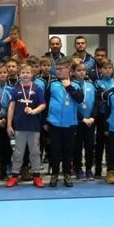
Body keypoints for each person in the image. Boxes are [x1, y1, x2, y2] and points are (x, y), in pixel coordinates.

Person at [45, 57, 84, 187]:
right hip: (54, 123)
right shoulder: (52, 84)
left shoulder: (76, 85)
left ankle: (67, 174)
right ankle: (54, 174)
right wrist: (45, 121)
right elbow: (45, 102)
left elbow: (80, 99)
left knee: (68, 150)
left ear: (68, 69)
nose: (58, 71)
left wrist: (69, 87)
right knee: (55, 150)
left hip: (70, 124)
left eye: (60, 69)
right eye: (56, 69)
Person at [6, 64, 46, 188]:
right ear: (19, 74)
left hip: (33, 126)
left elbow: (43, 105)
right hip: (19, 126)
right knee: (18, 152)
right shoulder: (16, 89)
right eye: (23, 73)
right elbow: (11, 107)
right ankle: (14, 175)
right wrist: (9, 124)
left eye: (27, 72)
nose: (25, 75)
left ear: (32, 74)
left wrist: (34, 111)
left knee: (35, 152)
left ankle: (36, 176)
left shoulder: (37, 88)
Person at [71, 61, 97, 181]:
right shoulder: (71, 85)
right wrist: (82, 118)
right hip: (77, 121)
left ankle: (88, 169)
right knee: (77, 147)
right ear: (73, 72)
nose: (82, 72)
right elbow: (71, 105)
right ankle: (78, 169)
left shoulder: (90, 85)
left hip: (90, 121)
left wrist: (92, 117)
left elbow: (96, 103)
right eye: (78, 70)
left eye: (83, 70)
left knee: (90, 146)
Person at [93, 59, 114, 179]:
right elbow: (102, 96)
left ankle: (112, 168)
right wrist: (112, 91)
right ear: (100, 70)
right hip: (101, 116)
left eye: (110, 68)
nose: (107, 70)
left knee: (111, 144)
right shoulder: (97, 82)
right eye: (105, 68)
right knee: (100, 143)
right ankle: (98, 169)